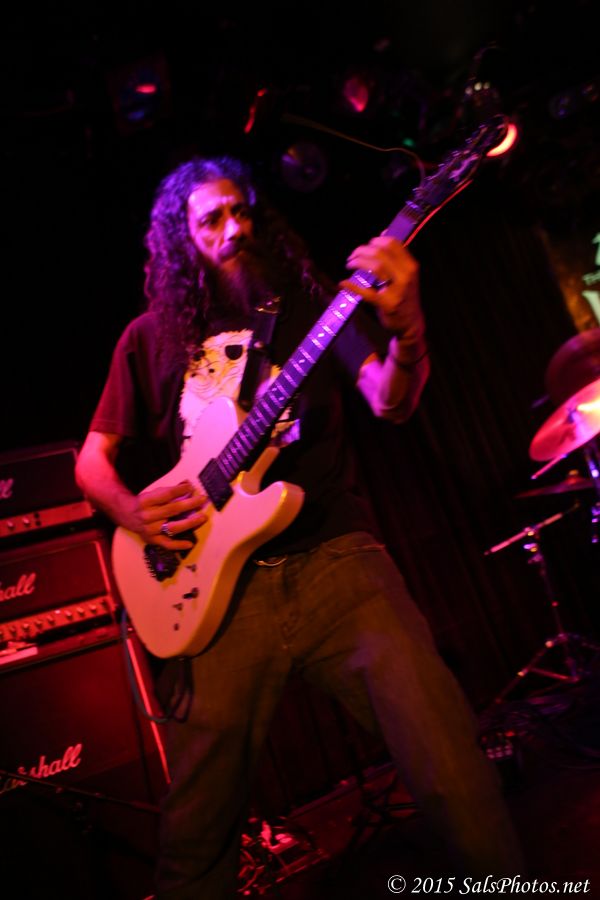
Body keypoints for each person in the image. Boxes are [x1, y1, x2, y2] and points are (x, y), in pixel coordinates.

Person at [75, 156, 522, 898]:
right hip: (217, 601)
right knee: (195, 836)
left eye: (241, 211)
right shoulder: (148, 338)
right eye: (211, 219)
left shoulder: (316, 307)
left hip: (336, 561)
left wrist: (408, 330)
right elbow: (92, 463)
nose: (233, 229)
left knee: (451, 767)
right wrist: (131, 512)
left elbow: (391, 400)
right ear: (181, 239)